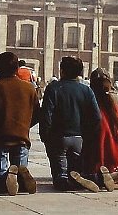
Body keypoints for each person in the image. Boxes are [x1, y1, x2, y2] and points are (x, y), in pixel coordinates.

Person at [0, 51, 40, 196]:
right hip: (21, 138)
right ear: (17, 68)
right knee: (19, 167)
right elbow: (37, 113)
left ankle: (5, 180)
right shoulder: (29, 88)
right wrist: (24, 126)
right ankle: (21, 178)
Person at [40, 56, 102, 192]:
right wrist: (90, 136)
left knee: (60, 174)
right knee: (75, 170)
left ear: (62, 71)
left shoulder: (53, 88)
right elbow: (96, 117)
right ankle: (91, 179)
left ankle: (63, 181)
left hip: (58, 137)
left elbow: (47, 114)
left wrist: (45, 135)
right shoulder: (86, 90)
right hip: (79, 138)